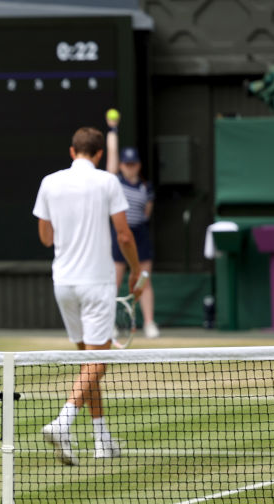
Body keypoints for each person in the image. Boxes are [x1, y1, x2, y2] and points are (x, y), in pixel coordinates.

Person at [32, 127, 143, 466]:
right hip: (96, 283)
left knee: (89, 364)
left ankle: (101, 437)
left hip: (63, 284)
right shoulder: (108, 182)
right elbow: (124, 234)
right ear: (97, 155)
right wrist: (136, 269)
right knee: (99, 361)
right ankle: (63, 422)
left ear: (72, 151)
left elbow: (46, 238)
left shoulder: (49, 182)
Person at [106, 112, 159, 338]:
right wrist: (112, 129)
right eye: (125, 164)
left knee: (144, 280)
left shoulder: (146, 188)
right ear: (121, 165)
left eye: (133, 163)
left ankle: (149, 323)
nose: (129, 167)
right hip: (120, 235)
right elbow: (111, 154)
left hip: (140, 236)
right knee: (114, 282)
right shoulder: (115, 180)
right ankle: (108, 325)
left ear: (138, 165)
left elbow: (147, 212)